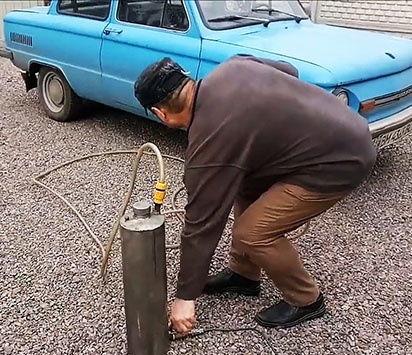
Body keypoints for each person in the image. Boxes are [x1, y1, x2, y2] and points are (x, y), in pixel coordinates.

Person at [132, 55, 377, 334]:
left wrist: (184, 298)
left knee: (252, 233)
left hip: (341, 162)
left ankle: (306, 299)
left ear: (160, 112)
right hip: (348, 128)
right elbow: (289, 70)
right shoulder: (232, 68)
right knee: (243, 185)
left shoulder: (211, 143)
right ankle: (243, 275)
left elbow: (201, 224)